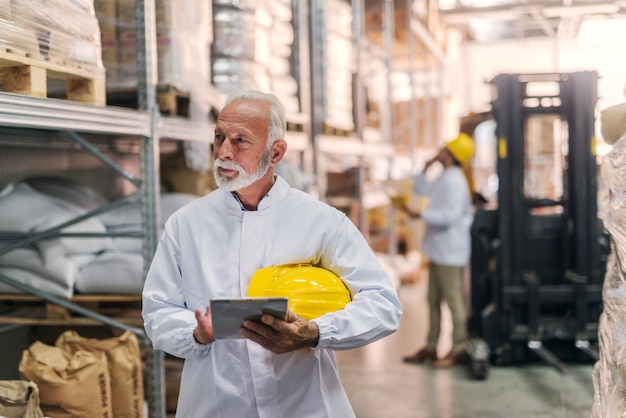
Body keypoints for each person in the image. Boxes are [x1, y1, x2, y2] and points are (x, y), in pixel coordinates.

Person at [142, 90, 402, 417]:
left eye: (240, 141)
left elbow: (383, 303)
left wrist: (316, 332)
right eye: (219, 137)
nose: (223, 151)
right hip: (218, 405)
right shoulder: (186, 224)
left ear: (276, 152)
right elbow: (157, 311)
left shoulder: (321, 221)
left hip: (303, 405)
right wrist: (196, 334)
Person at [401, 132, 475, 368]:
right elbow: (421, 189)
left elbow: (449, 216)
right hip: (439, 250)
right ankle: (431, 348)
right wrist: (425, 167)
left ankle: (459, 349)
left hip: (450, 253)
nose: (440, 150)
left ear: (451, 155)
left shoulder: (455, 181)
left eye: (445, 149)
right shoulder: (446, 176)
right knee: (432, 300)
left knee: (453, 302)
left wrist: (419, 214)